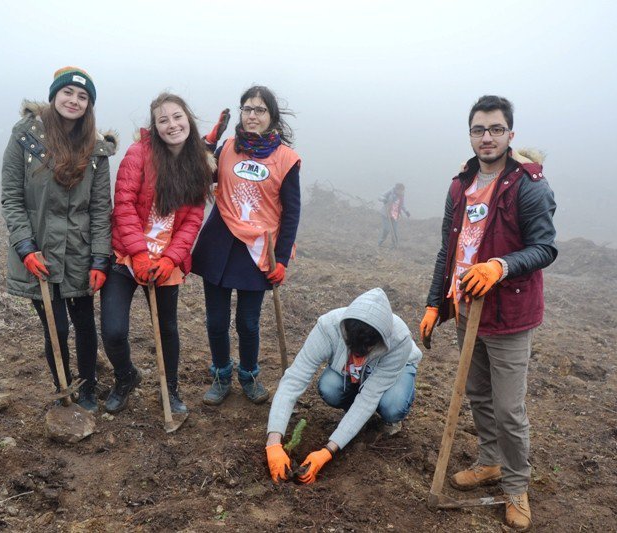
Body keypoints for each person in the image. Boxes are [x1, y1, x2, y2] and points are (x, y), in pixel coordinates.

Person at [419, 95, 557, 531]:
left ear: (510, 135)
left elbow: (545, 247)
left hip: (509, 315)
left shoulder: (529, 186)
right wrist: (434, 302)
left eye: (496, 129)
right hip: (466, 311)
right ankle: (490, 461)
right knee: (478, 393)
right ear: (471, 135)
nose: (487, 137)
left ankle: (516, 486)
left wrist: (500, 266)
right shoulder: (460, 185)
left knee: (509, 408)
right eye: (479, 130)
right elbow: (451, 249)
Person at [1, 66, 116, 413]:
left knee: (84, 323)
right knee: (57, 325)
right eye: (68, 93)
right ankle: (63, 387)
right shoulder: (24, 138)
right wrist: (25, 247)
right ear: (54, 96)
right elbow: (11, 197)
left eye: (83, 97)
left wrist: (100, 259)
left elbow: (100, 209)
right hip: (39, 253)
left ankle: (88, 389)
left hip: (79, 253)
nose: (74, 100)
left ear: (89, 106)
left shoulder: (96, 151)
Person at [99, 93, 221, 414]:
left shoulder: (199, 164)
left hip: (167, 260)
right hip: (126, 255)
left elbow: (193, 220)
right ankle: (126, 377)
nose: (172, 125)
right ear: (154, 126)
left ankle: (171, 389)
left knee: (167, 329)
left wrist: (169, 260)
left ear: (188, 119)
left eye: (177, 117)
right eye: (163, 120)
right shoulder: (138, 154)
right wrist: (138, 254)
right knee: (113, 331)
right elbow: (123, 206)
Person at [191, 86, 301, 406]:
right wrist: (207, 144)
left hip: (257, 250)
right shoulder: (225, 148)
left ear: (272, 117)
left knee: (248, 322)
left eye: (260, 110)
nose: (253, 115)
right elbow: (197, 178)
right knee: (216, 320)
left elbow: (292, 212)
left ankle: (250, 375)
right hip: (219, 244)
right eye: (247, 109)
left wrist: (281, 259)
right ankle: (221, 374)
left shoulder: (287, 160)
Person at [265, 288, 422, 484]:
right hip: (348, 374)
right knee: (330, 387)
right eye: (353, 351)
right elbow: (294, 379)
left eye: (364, 353)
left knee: (393, 405)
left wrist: (328, 451)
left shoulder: (399, 341)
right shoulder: (328, 327)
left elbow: (368, 398)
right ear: (345, 334)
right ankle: (353, 417)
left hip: (396, 369)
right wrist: (273, 442)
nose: (358, 360)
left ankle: (384, 418)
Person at [378, 183, 410, 248]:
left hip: (395, 215)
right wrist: (383, 199)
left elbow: (402, 205)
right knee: (386, 229)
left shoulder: (401, 196)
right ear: (396, 189)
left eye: (402, 191)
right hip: (386, 214)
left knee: (395, 231)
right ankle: (380, 241)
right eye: (400, 190)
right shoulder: (390, 192)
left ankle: (394, 245)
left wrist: (406, 211)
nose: (401, 192)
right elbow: (380, 197)